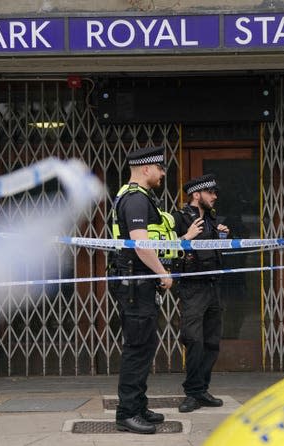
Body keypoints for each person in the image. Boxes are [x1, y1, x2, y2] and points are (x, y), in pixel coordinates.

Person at [110, 145, 179, 434]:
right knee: (137, 348)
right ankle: (127, 412)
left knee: (145, 345)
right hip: (136, 285)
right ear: (146, 169)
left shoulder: (137, 197)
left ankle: (138, 405)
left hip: (138, 284)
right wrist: (162, 272)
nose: (163, 174)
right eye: (161, 169)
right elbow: (141, 243)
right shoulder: (136, 199)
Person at [171, 174, 229, 413]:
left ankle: (202, 389)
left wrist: (225, 236)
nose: (215, 197)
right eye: (211, 192)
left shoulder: (213, 220)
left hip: (213, 286)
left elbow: (218, 251)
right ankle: (192, 393)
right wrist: (186, 238)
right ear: (197, 194)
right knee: (193, 339)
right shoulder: (179, 218)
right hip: (192, 287)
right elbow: (165, 247)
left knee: (211, 341)